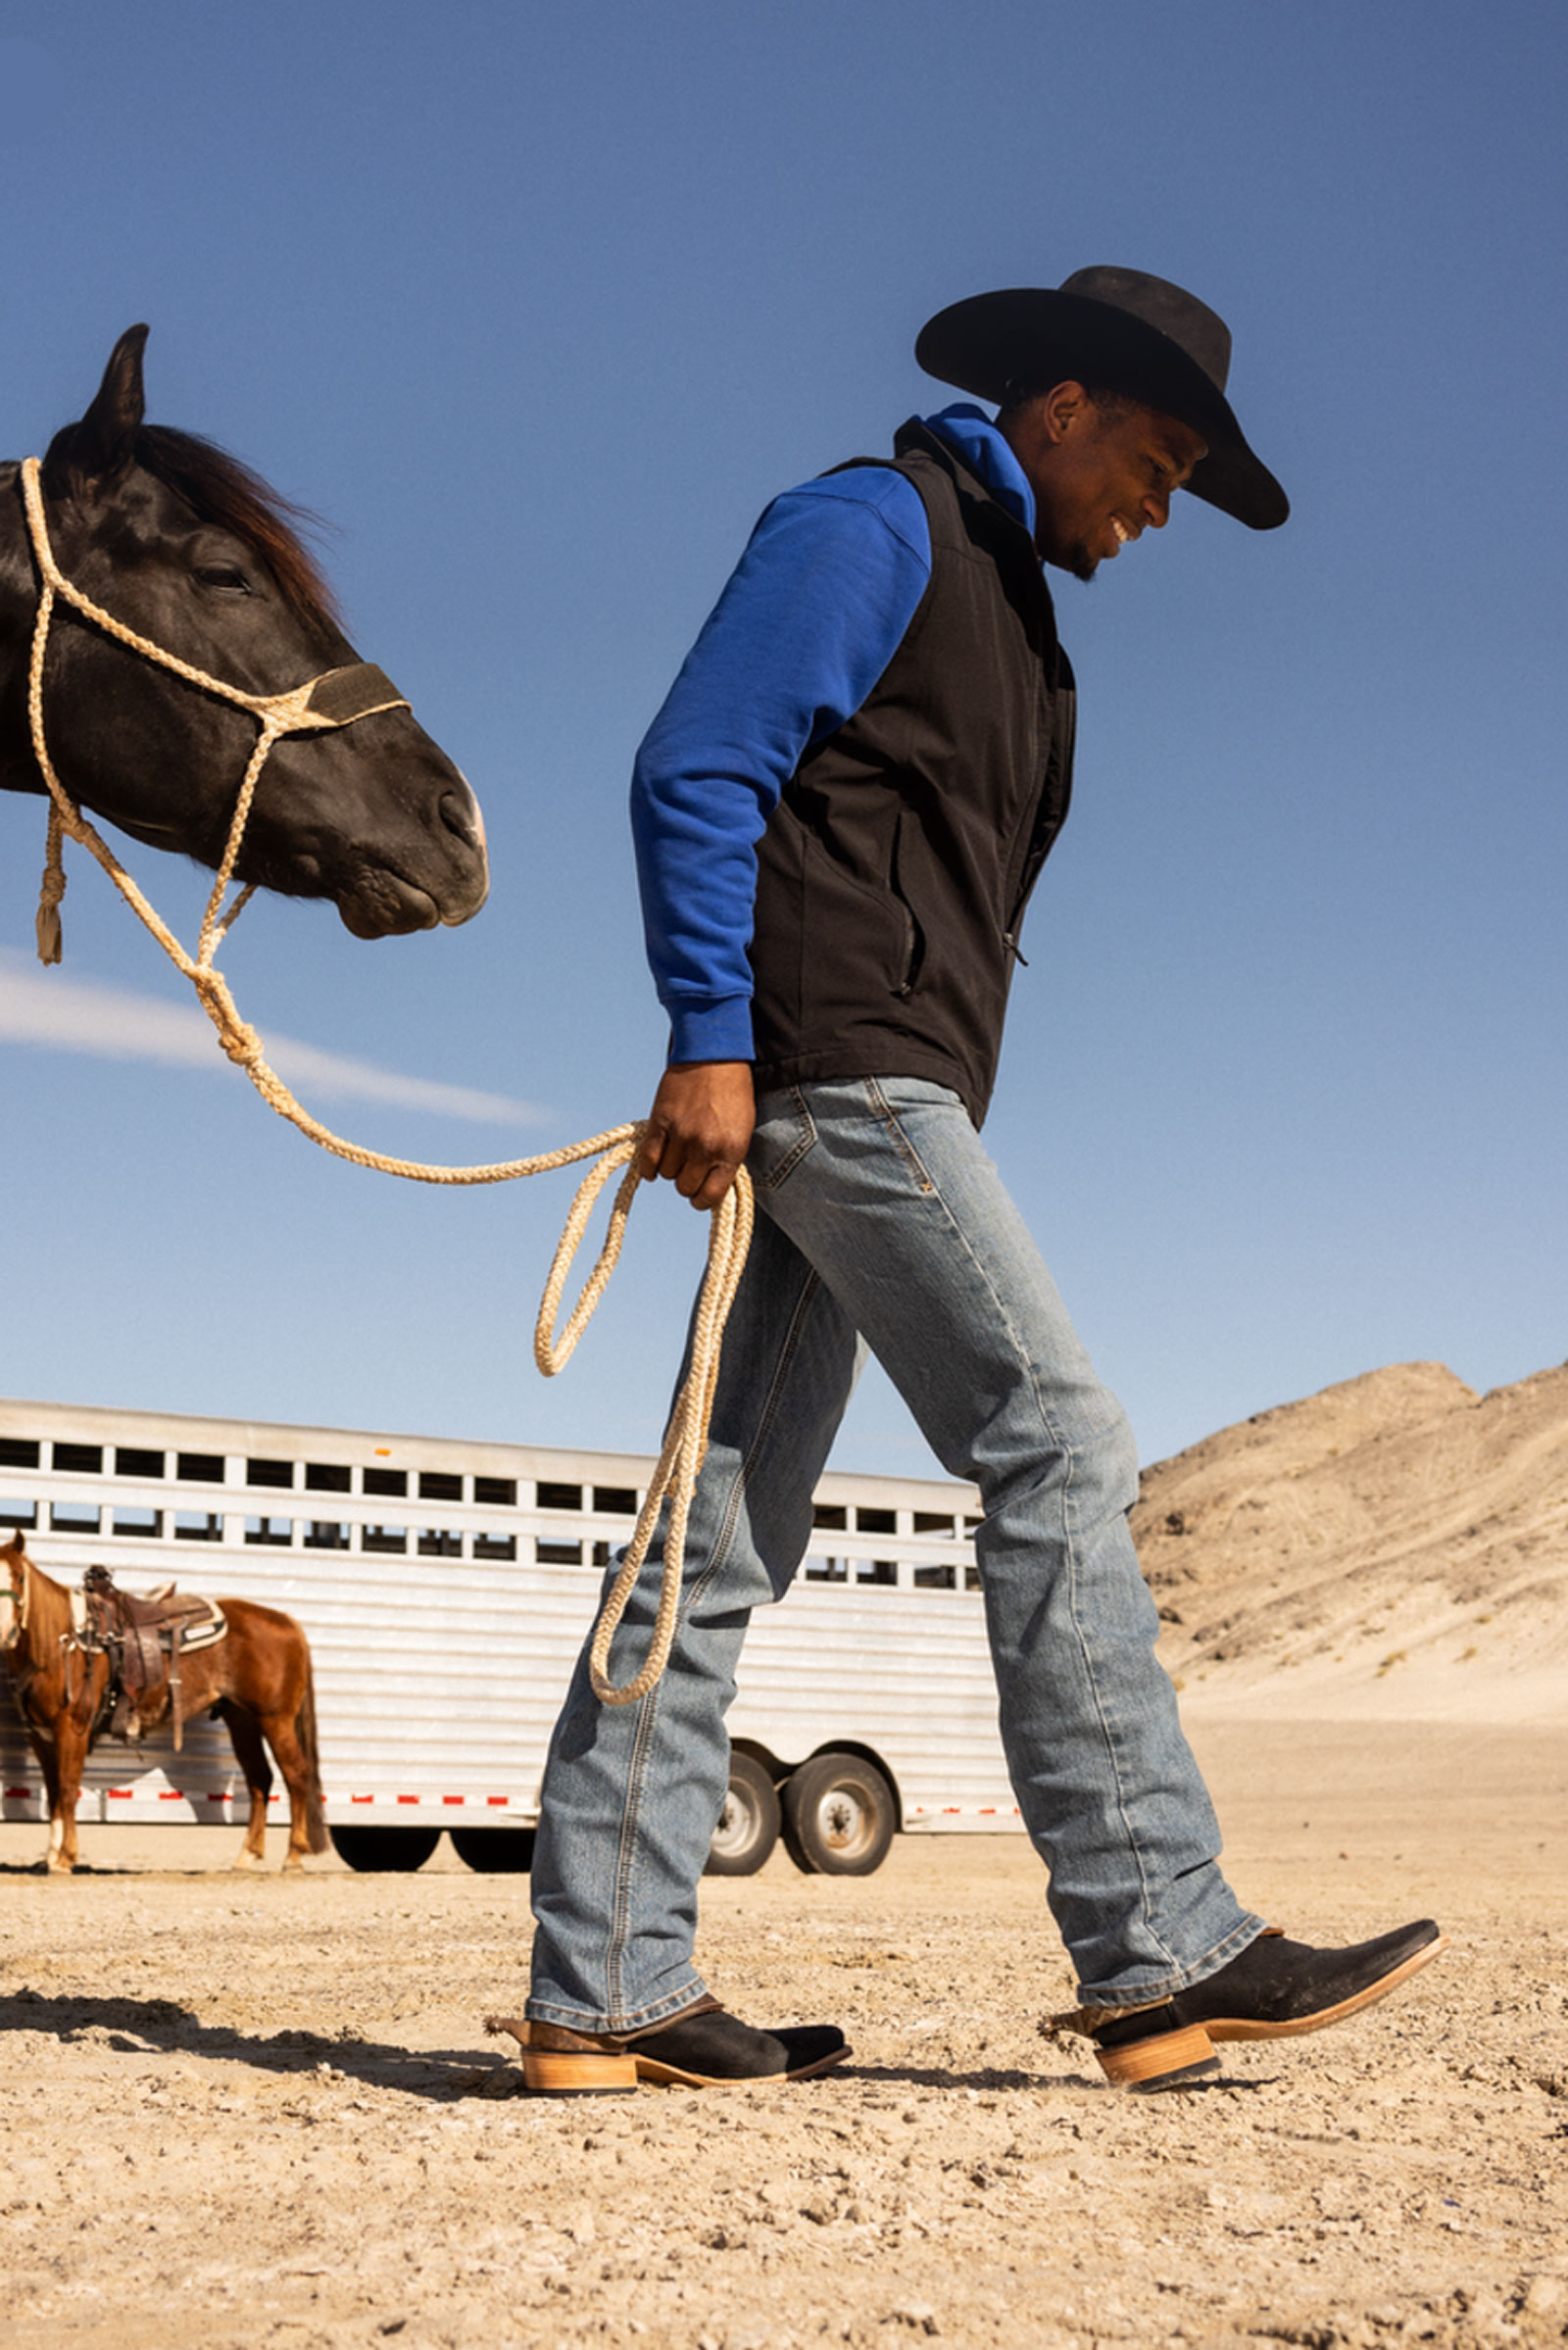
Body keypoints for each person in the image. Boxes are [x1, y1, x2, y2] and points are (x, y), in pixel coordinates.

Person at [514, 267, 1446, 2095]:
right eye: (1161, 462)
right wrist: (710, 1033)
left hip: (861, 1072)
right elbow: (698, 763)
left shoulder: (1020, 610)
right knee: (1058, 1434)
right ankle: (1157, 1936)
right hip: (840, 1068)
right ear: (1063, 403)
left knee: (714, 1533)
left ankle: (603, 1984)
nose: (1161, 507)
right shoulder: (877, 524)